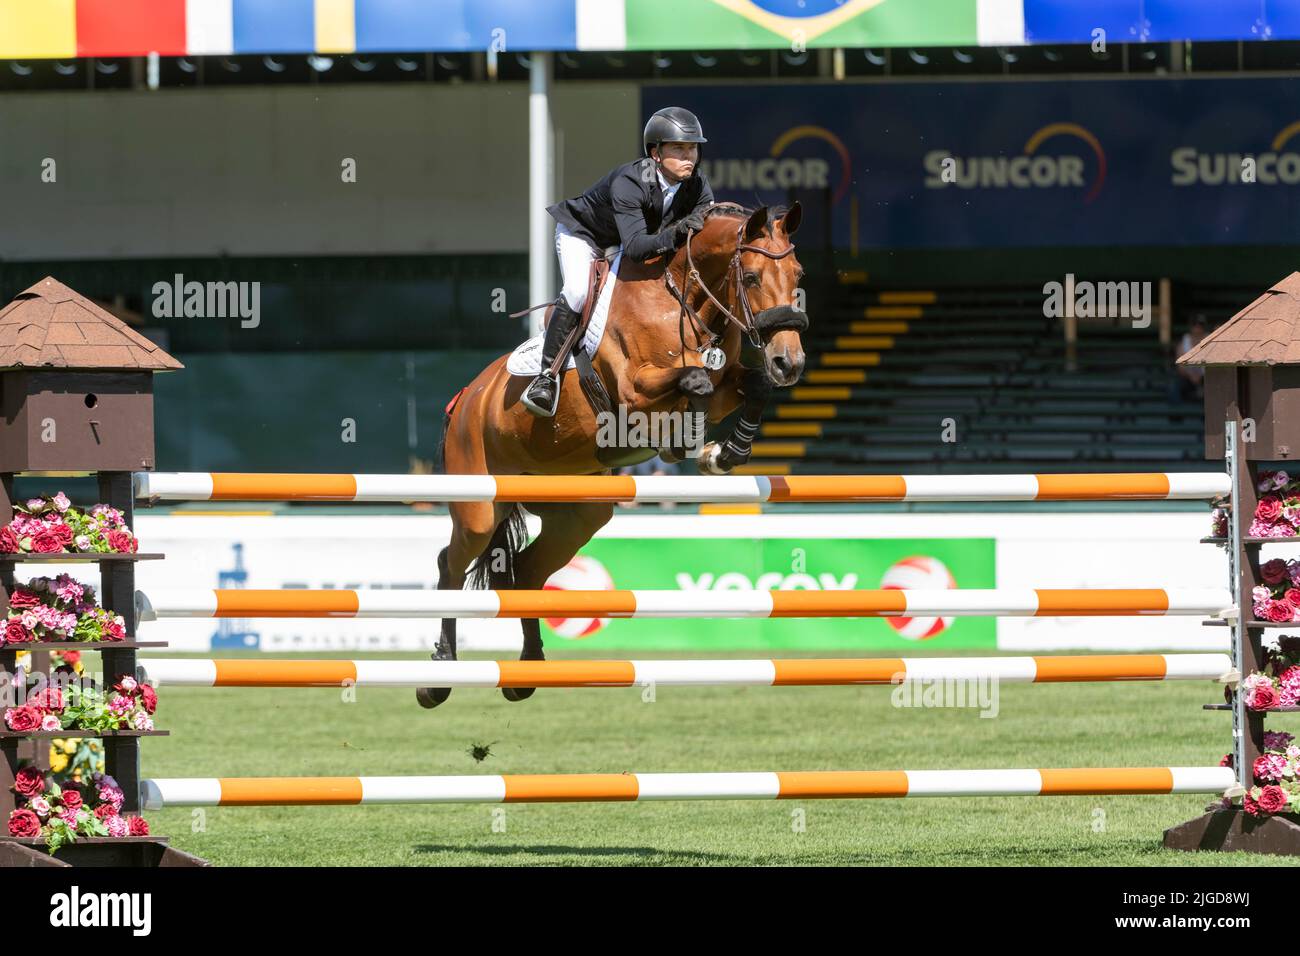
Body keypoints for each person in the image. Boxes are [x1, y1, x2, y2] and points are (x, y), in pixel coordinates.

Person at [522, 107, 716, 417]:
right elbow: (638, 247)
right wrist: (679, 231)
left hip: (624, 243)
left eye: (693, 147)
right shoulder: (631, 181)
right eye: (679, 148)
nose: (689, 155)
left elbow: (703, 225)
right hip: (585, 237)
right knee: (577, 292)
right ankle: (546, 378)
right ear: (656, 153)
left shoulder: (696, 185)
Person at [1172, 317, 1208, 402]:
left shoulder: (1209, 338)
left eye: (1200, 325)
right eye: (1195, 325)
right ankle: (1177, 413)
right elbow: (1180, 365)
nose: (1197, 327)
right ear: (1191, 327)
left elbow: (1214, 360)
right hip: (1187, 376)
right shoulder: (1185, 340)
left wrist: (1201, 376)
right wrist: (1191, 375)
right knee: (1174, 387)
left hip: (1206, 377)